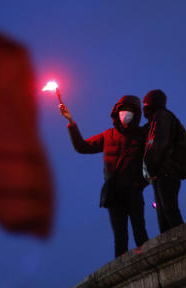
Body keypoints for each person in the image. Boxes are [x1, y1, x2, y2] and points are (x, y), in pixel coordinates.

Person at [59, 96, 148, 257]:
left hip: (134, 190)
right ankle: (123, 272)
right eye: (122, 110)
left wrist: (142, 182)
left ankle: (148, 260)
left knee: (139, 230)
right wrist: (71, 122)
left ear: (136, 114)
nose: (125, 114)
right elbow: (82, 147)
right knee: (120, 236)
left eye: (130, 111)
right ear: (117, 113)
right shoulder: (108, 135)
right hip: (113, 193)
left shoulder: (142, 135)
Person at [142, 89, 185, 233]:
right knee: (163, 215)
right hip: (161, 173)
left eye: (146, 103)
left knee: (169, 212)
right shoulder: (157, 119)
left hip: (166, 172)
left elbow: (160, 144)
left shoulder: (162, 117)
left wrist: (151, 167)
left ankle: (183, 242)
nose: (144, 107)